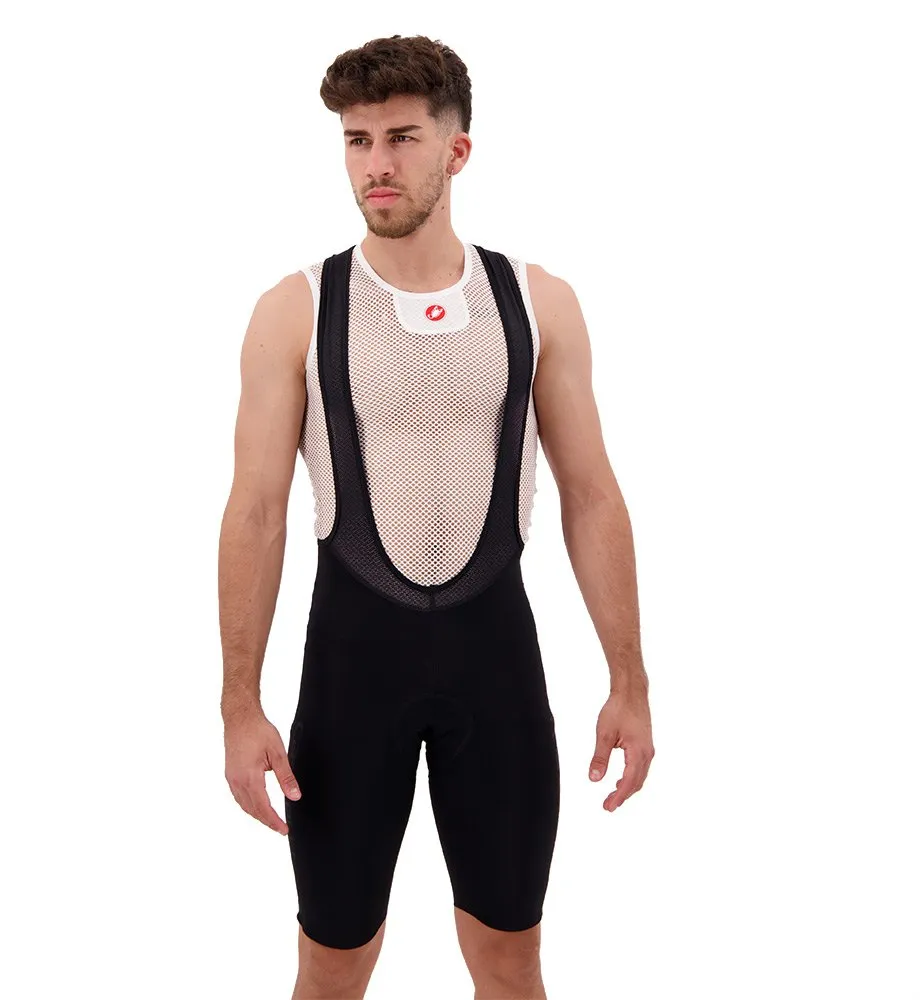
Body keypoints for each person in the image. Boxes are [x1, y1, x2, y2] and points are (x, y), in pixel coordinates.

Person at [218, 33, 655, 1000]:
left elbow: (592, 495)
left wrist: (629, 681)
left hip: (496, 676)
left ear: (457, 150)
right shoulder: (297, 309)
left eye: (402, 138)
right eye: (357, 140)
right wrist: (239, 705)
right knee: (332, 968)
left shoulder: (537, 302)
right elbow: (255, 513)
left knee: (510, 963)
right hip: (350, 681)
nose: (376, 164)